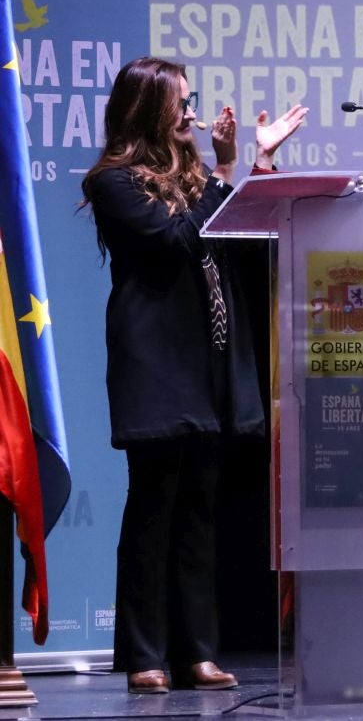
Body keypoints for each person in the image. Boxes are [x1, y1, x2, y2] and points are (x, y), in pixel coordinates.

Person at [80, 57, 307, 695]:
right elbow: (176, 239)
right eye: (181, 102)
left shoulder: (194, 176)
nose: (191, 111)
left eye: (191, 100)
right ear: (149, 108)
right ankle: (145, 654)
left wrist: (255, 166)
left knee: (200, 512)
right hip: (157, 365)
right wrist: (227, 171)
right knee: (154, 511)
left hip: (209, 361)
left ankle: (197, 652)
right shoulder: (113, 181)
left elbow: (236, 240)